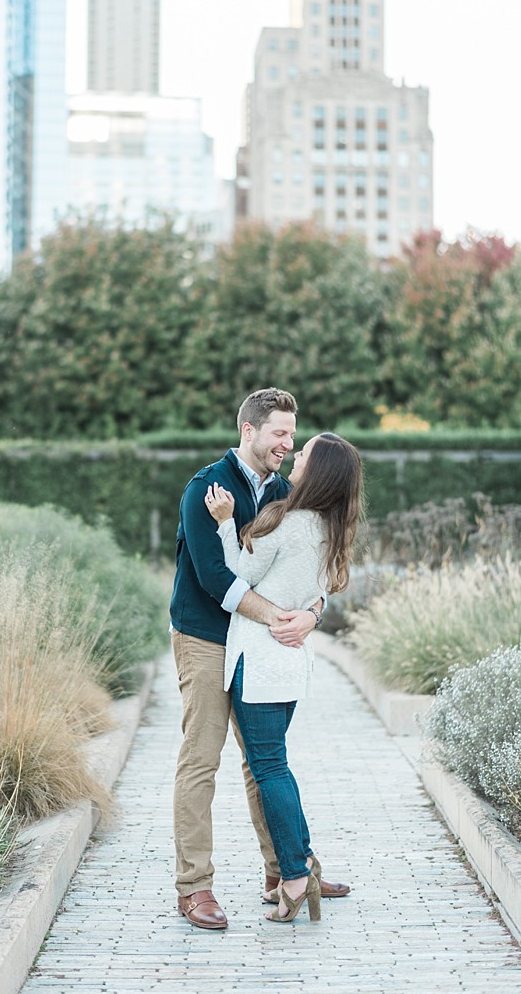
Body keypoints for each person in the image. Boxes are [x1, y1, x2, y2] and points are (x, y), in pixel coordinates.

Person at [170, 388, 350, 932]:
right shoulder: (206, 488)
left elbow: (313, 564)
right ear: (248, 430)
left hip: (257, 647)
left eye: (292, 437)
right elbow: (216, 578)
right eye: (279, 434)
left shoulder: (285, 492)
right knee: (202, 759)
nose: (286, 445)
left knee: (263, 761)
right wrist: (277, 615)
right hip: (206, 638)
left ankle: (286, 871)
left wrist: (313, 612)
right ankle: (194, 886)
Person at [205, 431, 364, 923]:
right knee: (277, 765)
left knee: (269, 769)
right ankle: (304, 866)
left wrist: (226, 522)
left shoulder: (289, 523)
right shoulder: (330, 528)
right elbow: (318, 591)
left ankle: (293, 877)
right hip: (292, 663)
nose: (295, 455)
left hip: (260, 661)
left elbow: (237, 574)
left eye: (306, 453)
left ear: (318, 472)